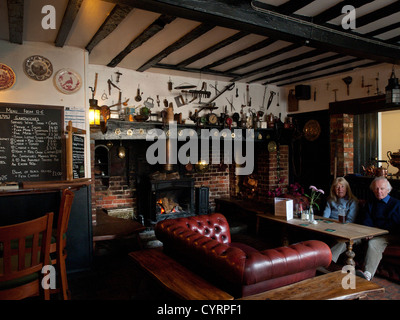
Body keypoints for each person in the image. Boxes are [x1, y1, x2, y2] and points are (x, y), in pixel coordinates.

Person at [330, 176, 400, 281]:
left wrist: (374, 232)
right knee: (349, 238)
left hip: (388, 234)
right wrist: (368, 231)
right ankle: (326, 259)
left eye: (382, 188)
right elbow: (366, 219)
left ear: (388, 190)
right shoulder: (371, 202)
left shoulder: (396, 204)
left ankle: (367, 274)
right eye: (376, 188)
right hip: (370, 231)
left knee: (373, 243)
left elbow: (393, 224)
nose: (379, 191)